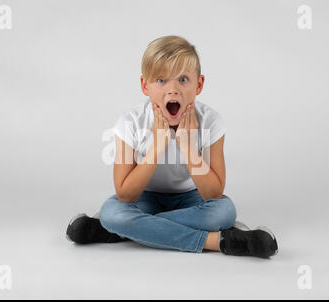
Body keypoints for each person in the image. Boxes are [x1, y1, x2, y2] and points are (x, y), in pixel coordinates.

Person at [66, 35, 278, 258]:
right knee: (113, 212)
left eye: (183, 80)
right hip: (144, 198)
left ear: (199, 84)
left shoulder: (211, 121)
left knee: (224, 212)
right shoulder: (129, 122)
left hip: (193, 198)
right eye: (161, 80)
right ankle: (218, 241)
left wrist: (186, 145)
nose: (173, 89)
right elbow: (126, 194)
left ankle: (121, 231)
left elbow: (213, 193)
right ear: (144, 86)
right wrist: (158, 144)